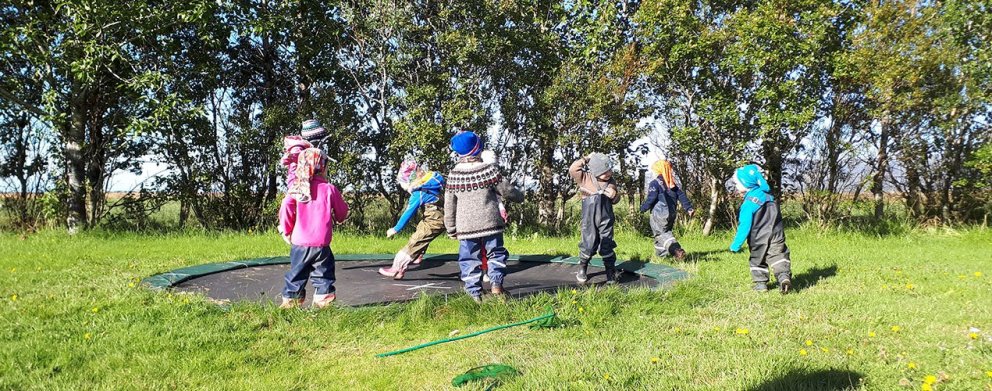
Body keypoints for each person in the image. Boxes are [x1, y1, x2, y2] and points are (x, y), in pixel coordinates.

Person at [444, 131, 524, 302]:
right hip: (491, 223)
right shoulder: (489, 171)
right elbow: (507, 191)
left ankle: (474, 294)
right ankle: (497, 286)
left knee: (469, 259)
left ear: (458, 153)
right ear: (478, 149)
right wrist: (520, 196)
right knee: (496, 253)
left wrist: (451, 229)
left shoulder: (453, 175)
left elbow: (449, 206)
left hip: (466, 228)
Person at [278, 147, 350, 308]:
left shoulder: (296, 188)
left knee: (296, 273)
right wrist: (339, 217)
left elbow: (286, 207)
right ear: (322, 167)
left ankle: (290, 303)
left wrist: (287, 229)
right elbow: (342, 212)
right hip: (321, 244)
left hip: (300, 243)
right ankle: (323, 303)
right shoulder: (329, 189)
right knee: (323, 274)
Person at [729, 164, 793, 293]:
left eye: (737, 184)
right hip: (777, 233)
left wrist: (735, 245)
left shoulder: (748, 204)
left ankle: (761, 285)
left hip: (758, 236)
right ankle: (783, 276)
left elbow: (744, 226)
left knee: (758, 259)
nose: (736, 186)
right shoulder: (769, 196)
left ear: (746, 184)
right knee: (778, 255)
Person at [378, 160, 446, 279]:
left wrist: (396, 229)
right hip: (442, 215)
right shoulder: (434, 179)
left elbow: (408, 212)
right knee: (421, 229)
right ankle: (418, 255)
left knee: (416, 240)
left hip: (433, 220)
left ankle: (396, 268)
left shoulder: (418, 193)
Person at [569, 153, 621, 284]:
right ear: (596, 171)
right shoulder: (585, 178)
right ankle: (583, 267)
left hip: (606, 218)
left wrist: (614, 195)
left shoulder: (611, 181)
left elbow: (616, 199)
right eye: (605, 171)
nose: (609, 173)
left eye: (610, 170)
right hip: (589, 219)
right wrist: (586, 158)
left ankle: (610, 271)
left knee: (607, 243)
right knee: (588, 243)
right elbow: (573, 169)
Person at [640, 159, 695, 260]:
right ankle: (662, 257)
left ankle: (676, 250)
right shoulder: (672, 184)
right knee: (662, 234)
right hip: (671, 214)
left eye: (654, 170)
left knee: (660, 233)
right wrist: (689, 208)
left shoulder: (654, 183)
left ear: (658, 170)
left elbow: (651, 198)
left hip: (659, 214)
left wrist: (643, 208)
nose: (653, 172)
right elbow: (682, 196)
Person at [284, 119, 330, 202]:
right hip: (297, 184)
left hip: (308, 181)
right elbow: (287, 159)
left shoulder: (306, 149)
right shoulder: (299, 149)